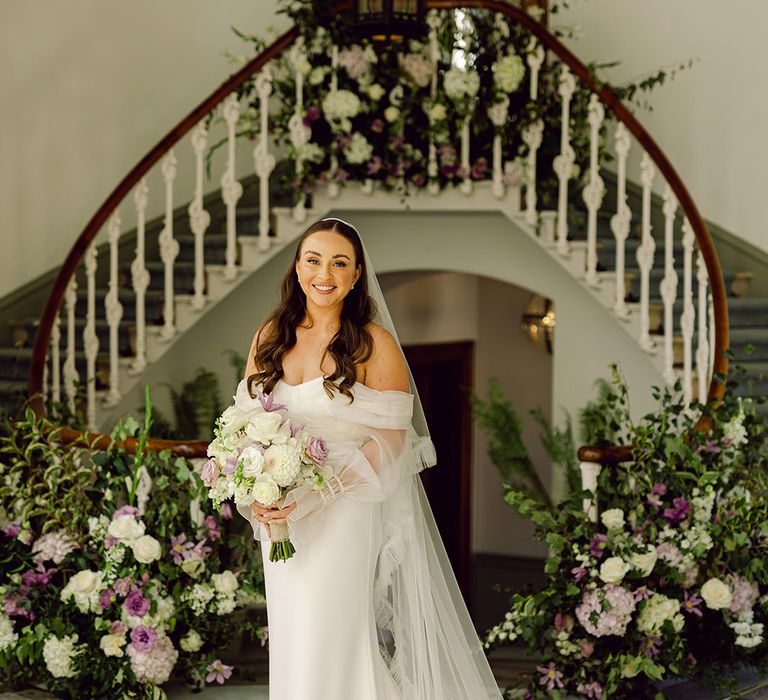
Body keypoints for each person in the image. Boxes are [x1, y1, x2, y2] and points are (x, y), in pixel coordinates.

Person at [234, 218, 502, 699]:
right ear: (297, 268)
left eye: (340, 263)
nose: (325, 273)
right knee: (293, 630)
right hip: (280, 513)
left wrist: (322, 491)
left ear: (356, 275)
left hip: (347, 507)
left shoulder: (374, 344)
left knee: (335, 631)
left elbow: (391, 442)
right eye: (314, 260)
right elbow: (244, 424)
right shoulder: (271, 334)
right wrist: (256, 493)